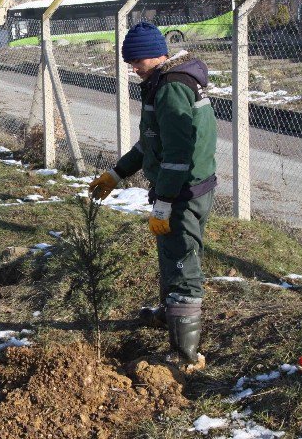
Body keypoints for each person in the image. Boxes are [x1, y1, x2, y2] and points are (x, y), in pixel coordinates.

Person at [89, 22, 217, 369]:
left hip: (184, 192)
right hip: (177, 190)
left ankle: (184, 356)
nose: (132, 69)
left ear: (153, 55)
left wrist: (164, 201)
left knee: (183, 263)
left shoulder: (172, 88)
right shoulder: (161, 81)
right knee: (170, 252)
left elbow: (178, 153)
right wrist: (117, 173)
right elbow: (151, 142)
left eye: (136, 62)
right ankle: (169, 316)